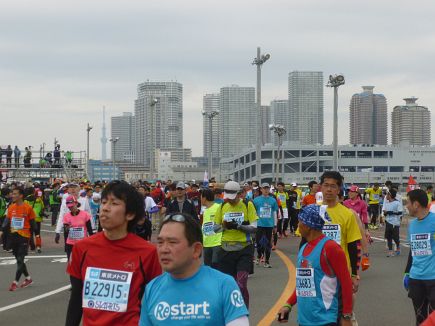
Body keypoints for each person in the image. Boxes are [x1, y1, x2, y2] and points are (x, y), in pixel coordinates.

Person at [65, 181, 162, 326]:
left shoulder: (147, 252)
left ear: (130, 214)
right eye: (104, 202)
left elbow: (155, 301)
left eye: (114, 203)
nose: (105, 208)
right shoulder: (82, 248)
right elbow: (76, 298)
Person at [139, 212, 249, 325]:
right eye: (160, 242)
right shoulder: (152, 288)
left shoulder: (224, 285)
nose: (163, 249)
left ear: (196, 250)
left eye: (172, 242)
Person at [277, 204, 353, 325]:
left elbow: (346, 283)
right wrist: (288, 304)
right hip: (304, 320)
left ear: (308, 226)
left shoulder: (330, 248)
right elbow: (303, 285)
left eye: (300, 221)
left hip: (325, 320)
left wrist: (347, 315)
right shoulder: (304, 248)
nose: (298, 225)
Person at [214, 181, 258, 307]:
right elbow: (214, 228)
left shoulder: (247, 204)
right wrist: (224, 226)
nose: (230, 201)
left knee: (241, 284)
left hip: (244, 248)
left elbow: (255, 228)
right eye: (228, 198)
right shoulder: (222, 206)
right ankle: (231, 310)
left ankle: (244, 311)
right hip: (225, 249)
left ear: (239, 194)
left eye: (232, 198)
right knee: (228, 287)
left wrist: (238, 226)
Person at [403, 189, 435, 325]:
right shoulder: (413, 225)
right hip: (416, 278)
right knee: (420, 318)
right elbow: (413, 250)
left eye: (408, 203)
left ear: (416, 204)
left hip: (433, 278)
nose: (406, 206)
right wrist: (407, 272)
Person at [0, 187, 36, 291]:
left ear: (21, 195)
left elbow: (33, 225)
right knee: (18, 259)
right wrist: (1, 231)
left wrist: (33, 239)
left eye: (15, 194)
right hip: (13, 236)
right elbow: (7, 221)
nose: (13, 195)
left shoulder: (28, 208)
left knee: (20, 259)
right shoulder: (11, 207)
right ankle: (28, 278)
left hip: (24, 237)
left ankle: (15, 282)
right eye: (12, 193)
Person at [253, 182, 278, 268]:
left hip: (269, 225)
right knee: (259, 243)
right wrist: (253, 224)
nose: (266, 190)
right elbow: (253, 213)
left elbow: (274, 213)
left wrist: (275, 225)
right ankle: (259, 256)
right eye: (264, 188)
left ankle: (267, 261)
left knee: (268, 244)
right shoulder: (256, 200)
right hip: (259, 224)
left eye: (267, 188)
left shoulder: (273, 200)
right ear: (261, 189)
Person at [63, 195, 93, 261]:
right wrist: (65, 244)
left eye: (72, 206)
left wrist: (92, 243)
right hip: (70, 244)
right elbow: (65, 232)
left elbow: (90, 230)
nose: (71, 208)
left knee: (83, 262)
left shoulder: (85, 215)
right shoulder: (66, 216)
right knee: (71, 264)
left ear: (76, 203)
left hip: (82, 243)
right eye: (69, 207)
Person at [201, 188, 222, 268]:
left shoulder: (218, 207)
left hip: (217, 243)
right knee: (207, 268)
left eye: (201, 197)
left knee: (215, 267)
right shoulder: (205, 211)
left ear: (204, 198)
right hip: (206, 244)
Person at [382, 189, 402, 257]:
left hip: (395, 223)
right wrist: (385, 214)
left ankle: (398, 246)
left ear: (390, 195)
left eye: (387, 194)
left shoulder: (397, 203)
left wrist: (390, 212)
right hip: (388, 222)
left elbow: (400, 212)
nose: (386, 196)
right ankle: (390, 251)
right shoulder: (387, 204)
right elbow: (385, 213)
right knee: (388, 237)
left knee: (395, 238)